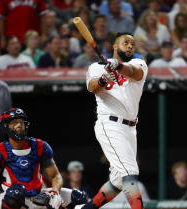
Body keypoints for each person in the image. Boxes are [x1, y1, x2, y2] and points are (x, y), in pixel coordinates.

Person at [81, 32, 148, 209]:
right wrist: (104, 78)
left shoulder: (138, 63)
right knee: (130, 173)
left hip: (130, 128)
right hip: (109, 124)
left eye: (133, 44)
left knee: (118, 181)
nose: (130, 46)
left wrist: (117, 66)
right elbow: (93, 88)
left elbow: (134, 73)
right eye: (126, 43)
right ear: (115, 46)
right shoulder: (96, 67)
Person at [0, 108, 88, 209]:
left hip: (38, 195)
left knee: (79, 197)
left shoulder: (39, 146)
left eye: (21, 122)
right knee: (16, 194)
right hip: (10, 197)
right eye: (14, 122)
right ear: (5, 126)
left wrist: (55, 193)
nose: (19, 125)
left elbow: (56, 176)